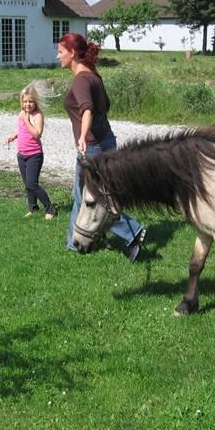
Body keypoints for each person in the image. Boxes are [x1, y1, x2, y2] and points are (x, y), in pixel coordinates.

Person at [56, 32, 146, 262]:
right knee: (86, 194)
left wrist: (84, 135)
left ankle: (132, 232)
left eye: (60, 51)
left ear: (72, 53)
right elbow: (106, 105)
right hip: (107, 141)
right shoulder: (94, 76)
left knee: (89, 196)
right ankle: (74, 242)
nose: (57, 56)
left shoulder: (81, 80)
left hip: (93, 147)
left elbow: (87, 108)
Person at [6, 80, 56, 220]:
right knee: (27, 184)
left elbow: (37, 134)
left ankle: (50, 209)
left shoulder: (37, 115)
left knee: (32, 183)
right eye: (25, 101)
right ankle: (33, 208)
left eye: (31, 101)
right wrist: (14, 135)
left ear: (36, 102)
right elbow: (21, 130)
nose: (27, 104)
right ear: (21, 102)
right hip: (22, 155)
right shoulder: (21, 114)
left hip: (34, 155)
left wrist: (27, 120)